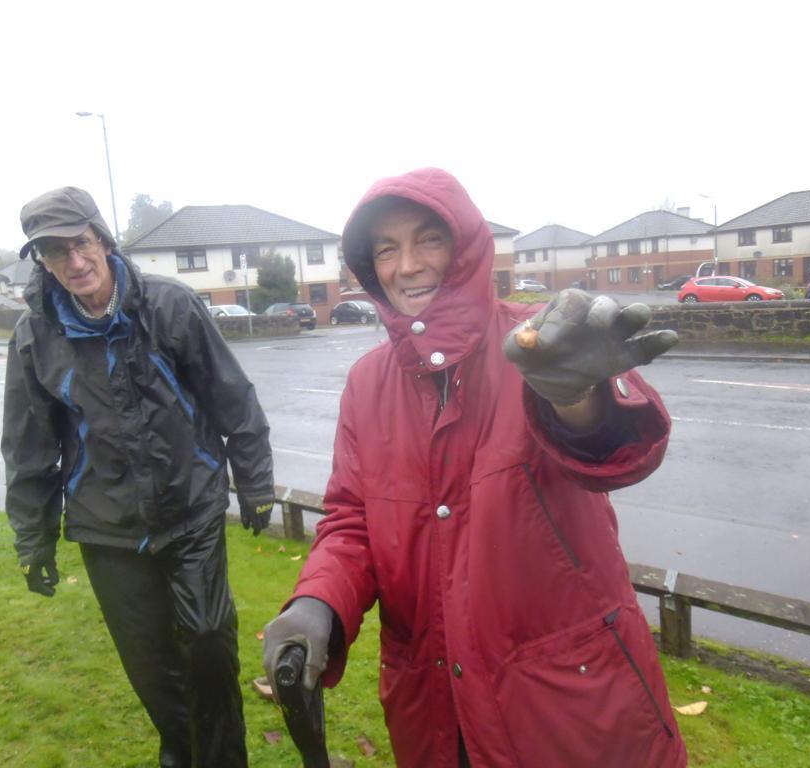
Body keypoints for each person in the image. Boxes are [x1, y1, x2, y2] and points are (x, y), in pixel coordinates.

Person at [262, 168, 687, 767]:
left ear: (464, 248)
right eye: (386, 248)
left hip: (567, 708)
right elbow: (353, 519)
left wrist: (577, 398)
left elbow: (613, 449)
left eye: (427, 239)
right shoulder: (367, 385)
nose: (406, 264)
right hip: (433, 710)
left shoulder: (535, 342)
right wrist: (320, 600)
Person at [2, 186, 275, 768]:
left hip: (191, 507)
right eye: (55, 252)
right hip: (108, 528)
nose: (74, 263)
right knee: (153, 669)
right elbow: (28, 447)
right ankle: (181, 756)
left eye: (80, 244)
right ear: (41, 261)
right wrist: (34, 539)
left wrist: (254, 482)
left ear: (101, 238)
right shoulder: (34, 337)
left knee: (206, 645)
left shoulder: (169, 306)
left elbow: (231, 398)